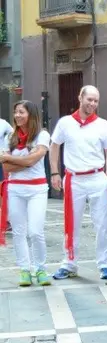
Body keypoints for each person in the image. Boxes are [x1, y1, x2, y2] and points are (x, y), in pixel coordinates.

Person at [49, 85, 107, 280]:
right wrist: (55, 172)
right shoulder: (65, 123)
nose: (93, 104)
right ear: (80, 97)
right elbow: (54, 146)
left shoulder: (103, 124)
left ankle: (104, 264)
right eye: (89, 99)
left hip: (97, 178)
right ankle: (69, 263)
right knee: (71, 223)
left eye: (96, 100)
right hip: (74, 179)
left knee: (102, 223)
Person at [0, 101, 51, 286]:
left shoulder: (42, 135)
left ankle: (41, 268)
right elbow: (5, 167)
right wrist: (23, 161)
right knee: (19, 232)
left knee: (36, 231)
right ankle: (24, 269)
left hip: (37, 189)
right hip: (15, 189)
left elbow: (33, 160)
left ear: (31, 114)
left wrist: (10, 158)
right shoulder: (10, 137)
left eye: (21, 112)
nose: (17, 115)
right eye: (16, 112)